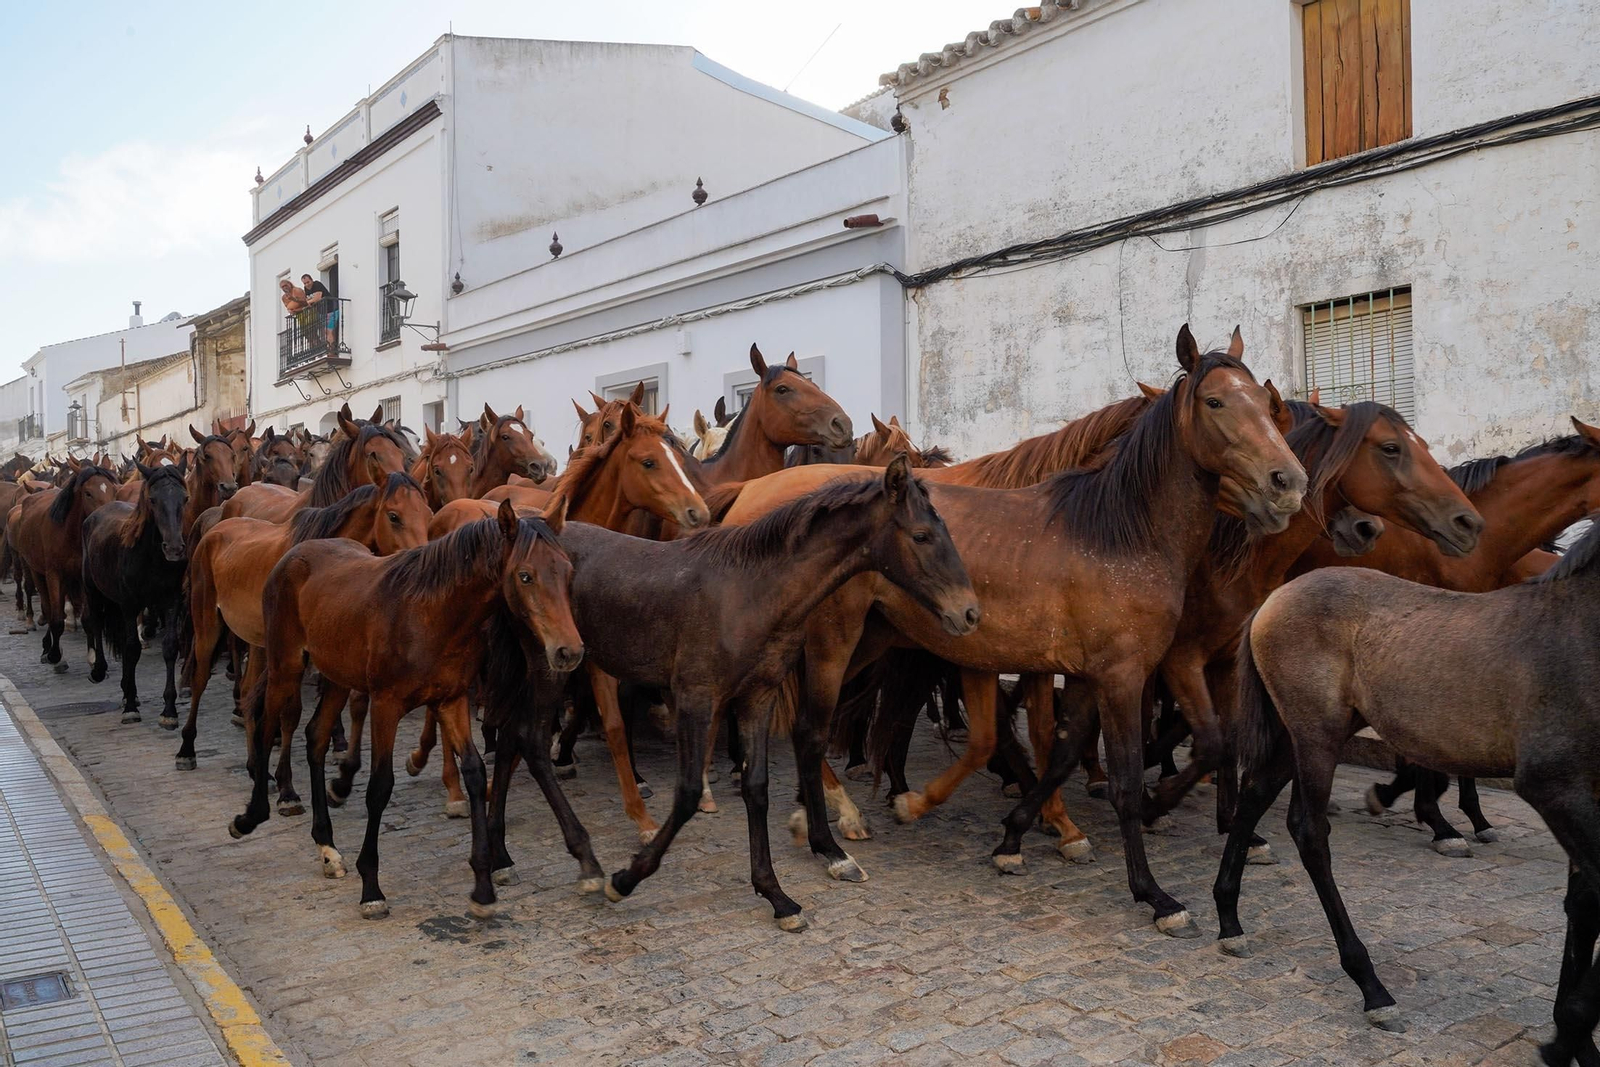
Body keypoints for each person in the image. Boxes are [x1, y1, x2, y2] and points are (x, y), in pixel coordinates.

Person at [301, 273, 339, 354]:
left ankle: (331, 351)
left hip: (331, 309)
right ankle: (325, 349)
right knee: (323, 332)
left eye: (308, 282)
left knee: (329, 330)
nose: (307, 285)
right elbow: (309, 301)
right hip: (322, 312)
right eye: (305, 283)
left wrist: (307, 303)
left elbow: (317, 298)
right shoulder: (306, 289)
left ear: (312, 280)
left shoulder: (317, 284)